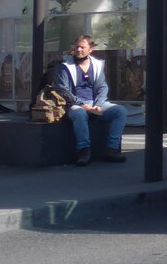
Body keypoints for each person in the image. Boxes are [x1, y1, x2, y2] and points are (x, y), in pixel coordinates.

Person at [54, 35, 128, 166]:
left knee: (120, 111)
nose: (78, 49)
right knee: (80, 114)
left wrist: (98, 105)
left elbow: (102, 87)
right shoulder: (65, 66)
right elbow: (63, 91)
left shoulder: (97, 65)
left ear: (91, 49)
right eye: (77, 46)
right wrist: (83, 105)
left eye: (82, 47)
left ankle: (112, 149)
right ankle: (84, 151)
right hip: (74, 105)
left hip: (95, 103)